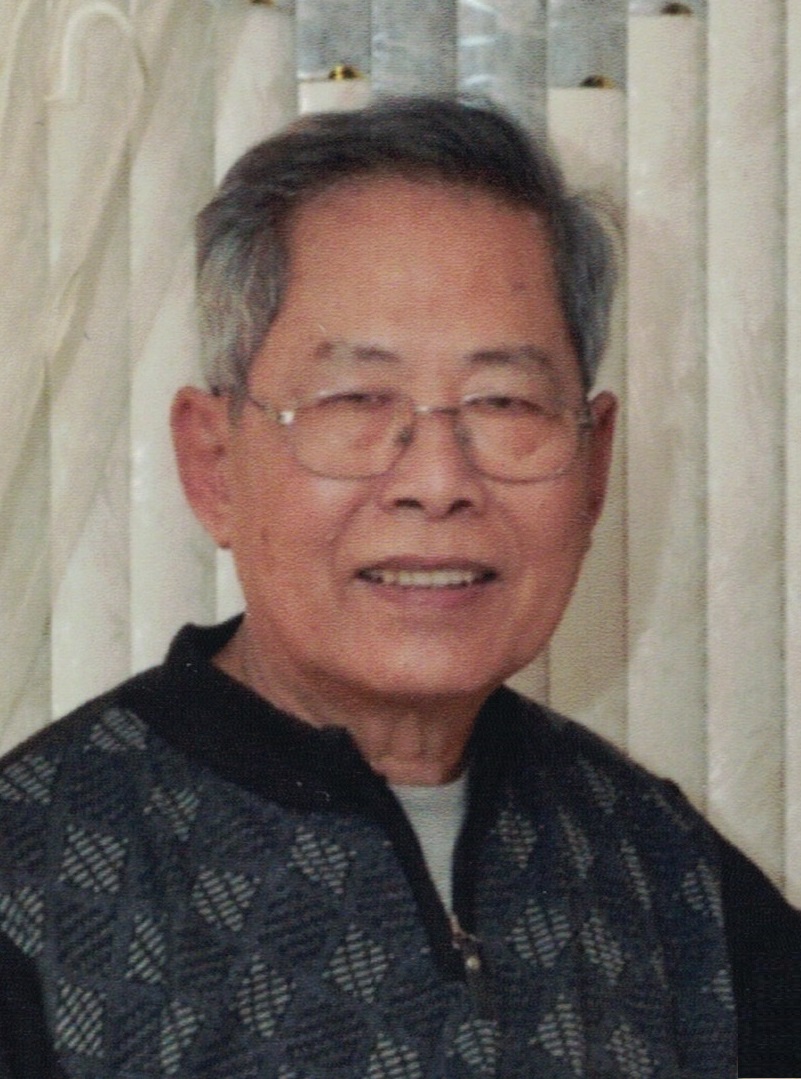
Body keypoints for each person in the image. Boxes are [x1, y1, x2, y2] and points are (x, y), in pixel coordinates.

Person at [0, 97, 798, 1079]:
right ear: (213, 464)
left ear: (593, 469)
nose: (436, 481)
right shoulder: (35, 874)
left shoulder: (666, 868)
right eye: (355, 399)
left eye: (504, 401)